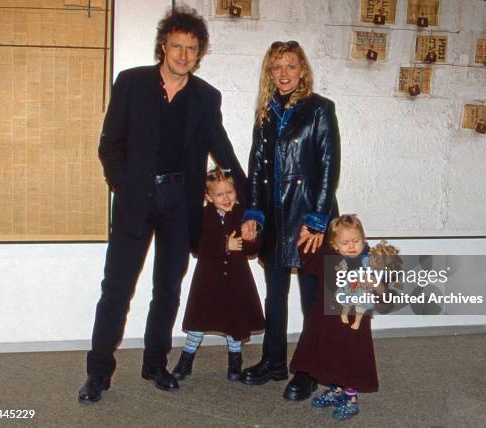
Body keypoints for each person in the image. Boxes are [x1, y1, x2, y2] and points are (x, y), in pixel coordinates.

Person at [78, 7, 247, 403]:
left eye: (192, 48)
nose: (184, 55)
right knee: (116, 288)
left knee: (167, 289)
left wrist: (251, 202)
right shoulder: (132, 83)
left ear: (199, 53)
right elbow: (110, 144)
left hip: (179, 204)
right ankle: (98, 374)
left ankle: (155, 364)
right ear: (163, 46)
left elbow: (222, 151)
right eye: (177, 46)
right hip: (136, 200)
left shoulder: (207, 97)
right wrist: (125, 187)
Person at [239, 40, 340, 401]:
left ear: (303, 71)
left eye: (291, 66)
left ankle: (309, 371)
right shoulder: (265, 113)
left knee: (312, 300)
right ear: (270, 73)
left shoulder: (320, 110)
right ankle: (273, 362)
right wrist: (252, 212)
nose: (284, 74)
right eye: (276, 67)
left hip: (307, 218)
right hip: (274, 217)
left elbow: (329, 166)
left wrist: (318, 220)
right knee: (275, 295)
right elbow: (255, 168)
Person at [290, 215, 402, 421]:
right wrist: (305, 242)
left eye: (356, 241)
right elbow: (309, 265)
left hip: (354, 325)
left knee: (350, 357)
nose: (351, 246)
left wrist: (375, 284)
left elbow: (385, 292)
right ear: (334, 243)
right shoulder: (328, 256)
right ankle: (335, 389)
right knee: (331, 354)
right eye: (345, 242)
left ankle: (350, 397)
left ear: (364, 239)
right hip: (328, 321)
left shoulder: (371, 261)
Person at [171, 168, 265, 382]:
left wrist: (251, 238)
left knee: (234, 321)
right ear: (208, 197)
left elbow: (252, 250)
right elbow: (197, 247)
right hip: (208, 281)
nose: (226, 198)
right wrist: (225, 245)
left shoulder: (243, 214)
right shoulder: (202, 216)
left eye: (230, 192)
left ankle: (235, 360)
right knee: (198, 322)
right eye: (219, 194)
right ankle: (186, 361)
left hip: (236, 280)